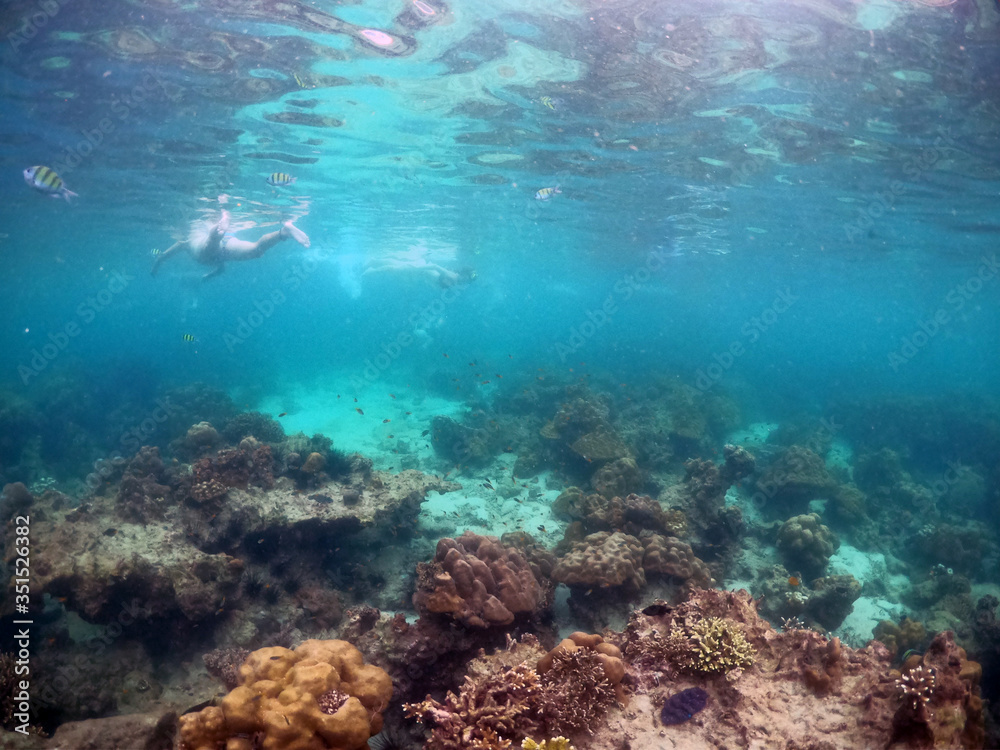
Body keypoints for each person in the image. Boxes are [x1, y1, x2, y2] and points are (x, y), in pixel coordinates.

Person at [151, 210, 310, 279]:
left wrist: (158, 261)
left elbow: (178, 244)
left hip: (211, 247)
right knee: (256, 250)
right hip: (227, 245)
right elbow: (220, 269)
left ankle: (217, 232)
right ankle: (283, 232)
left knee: (206, 248)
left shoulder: (186, 243)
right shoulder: (218, 264)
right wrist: (207, 277)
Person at [362, 253, 476, 288]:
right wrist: (417, 269)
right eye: (467, 279)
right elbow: (435, 267)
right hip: (419, 268)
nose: (466, 281)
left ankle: (375, 261)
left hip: (420, 270)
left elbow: (435, 281)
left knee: (397, 265)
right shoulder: (453, 276)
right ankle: (373, 270)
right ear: (464, 274)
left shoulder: (454, 280)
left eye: (468, 281)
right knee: (395, 268)